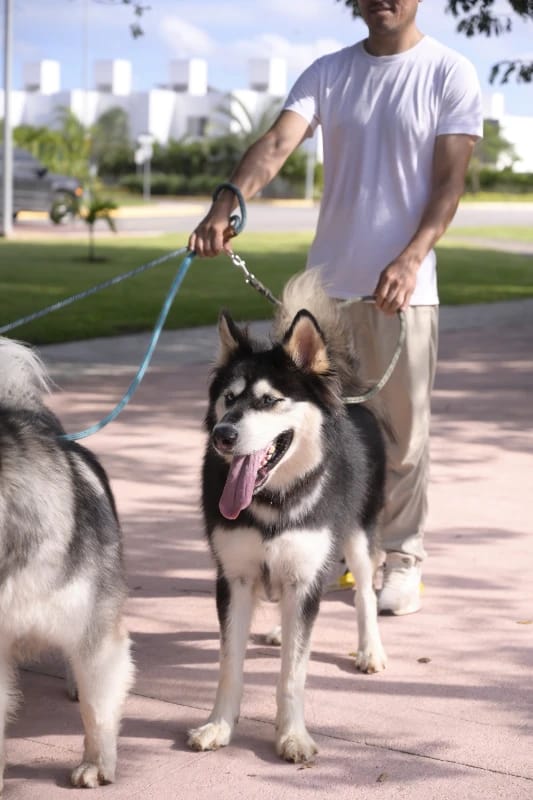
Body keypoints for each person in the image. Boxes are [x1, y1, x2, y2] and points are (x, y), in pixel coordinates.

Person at [188, 0, 483, 615]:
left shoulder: (449, 72)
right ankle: (311, 548)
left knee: (401, 438)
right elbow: (275, 143)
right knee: (315, 431)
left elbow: (450, 183)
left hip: (403, 291)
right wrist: (229, 201)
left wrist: (411, 258)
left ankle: (400, 557)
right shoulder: (329, 71)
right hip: (320, 298)